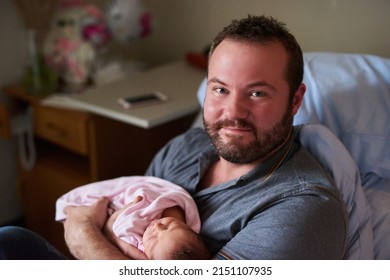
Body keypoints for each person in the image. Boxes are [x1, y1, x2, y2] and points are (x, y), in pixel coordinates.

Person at [0, 15, 347, 260]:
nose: (234, 112)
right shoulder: (185, 147)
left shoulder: (302, 207)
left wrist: (81, 235)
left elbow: (98, 229)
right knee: (10, 241)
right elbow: (124, 217)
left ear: (295, 100)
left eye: (257, 94)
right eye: (221, 89)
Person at [55, 176, 210, 260]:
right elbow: (151, 197)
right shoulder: (176, 214)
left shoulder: (144, 255)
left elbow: (116, 229)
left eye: (153, 239)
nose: (157, 227)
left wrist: (102, 229)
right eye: (169, 226)